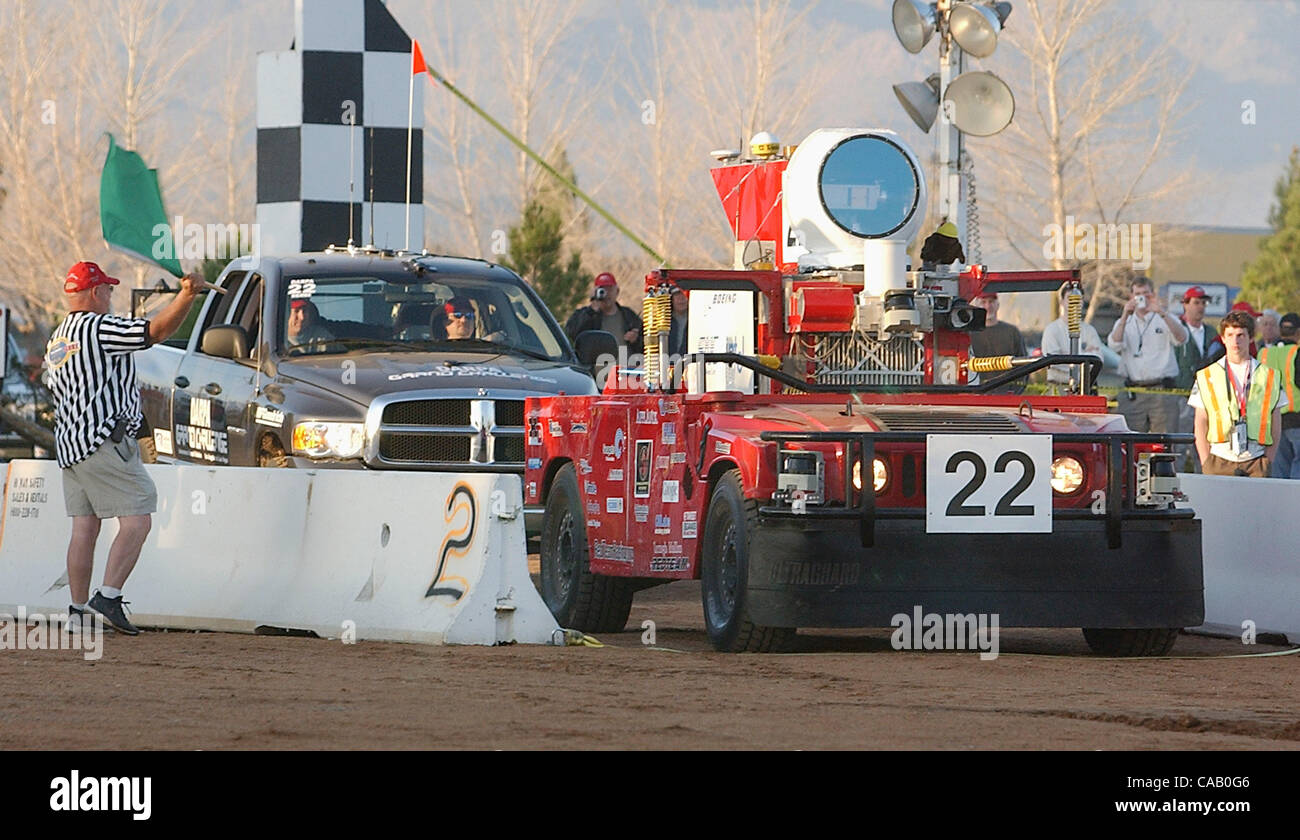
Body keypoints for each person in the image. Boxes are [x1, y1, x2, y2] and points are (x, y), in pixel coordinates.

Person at [46, 261, 204, 634]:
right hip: (104, 440)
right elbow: (156, 331)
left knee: (84, 528)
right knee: (138, 518)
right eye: (110, 291)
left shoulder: (58, 337)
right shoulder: (98, 328)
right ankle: (109, 596)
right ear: (96, 293)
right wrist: (187, 296)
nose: (112, 297)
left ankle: (78, 612)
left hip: (70, 444)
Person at [1189, 310, 1285, 477]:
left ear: (1251, 338)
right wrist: (1206, 461)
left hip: (1256, 460)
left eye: (1241, 335)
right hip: (1219, 459)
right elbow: (1200, 422)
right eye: (1230, 334)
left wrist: (1268, 460)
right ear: (1223, 338)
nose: (1235, 340)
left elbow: (1275, 420)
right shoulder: (1207, 375)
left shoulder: (1269, 375)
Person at [1107, 276, 1186, 433]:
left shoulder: (1165, 318)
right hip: (1134, 391)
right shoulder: (1124, 322)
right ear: (1131, 297)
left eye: (1146, 293)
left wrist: (1161, 312)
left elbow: (1182, 338)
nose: (1142, 297)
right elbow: (1114, 344)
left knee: (1164, 444)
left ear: (1153, 294)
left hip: (1162, 390)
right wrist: (1125, 315)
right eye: (1138, 294)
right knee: (1131, 443)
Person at [1039, 285, 1107, 389]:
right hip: (1058, 387)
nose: (1074, 301)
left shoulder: (1090, 331)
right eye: (1070, 298)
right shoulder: (1051, 330)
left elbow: (1098, 360)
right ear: (1062, 302)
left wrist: (1065, 357)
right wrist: (1084, 356)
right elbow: (1052, 362)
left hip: (1084, 388)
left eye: (1078, 298)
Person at [564, 272, 643, 354]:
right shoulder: (585, 314)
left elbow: (647, 343)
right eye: (602, 290)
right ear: (595, 292)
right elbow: (571, 333)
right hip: (596, 365)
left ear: (617, 291)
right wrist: (591, 310)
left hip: (626, 365)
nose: (606, 294)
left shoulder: (628, 316)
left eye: (610, 289)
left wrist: (636, 340)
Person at [1262, 312, 1300, 478]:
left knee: (1279, 470)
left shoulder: (1264, 354)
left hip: (1272, 421)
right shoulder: (1296, 353)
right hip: (1296, 419)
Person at [968, 291, 1026, 358]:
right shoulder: (968, 334)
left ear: (998, 305)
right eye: (983, 302)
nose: (988, 306)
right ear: (976, 306)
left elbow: (1023, 360)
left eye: (991, 301)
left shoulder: (1012, 332)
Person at [667, 286, 689, 358]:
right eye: (677, 295)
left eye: (684, 294)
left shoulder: (696, 319)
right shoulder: (663, 320)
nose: (681, 298)